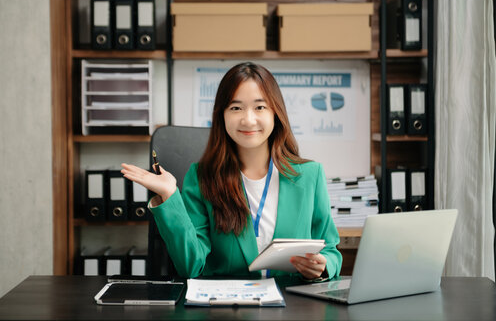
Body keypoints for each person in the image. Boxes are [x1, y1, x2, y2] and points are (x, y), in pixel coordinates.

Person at [121, 62, 342, 280]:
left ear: (276, 113)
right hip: (228, 308)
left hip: (291, 306)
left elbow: (330, 250)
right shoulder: (201, 178)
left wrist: (323, 267)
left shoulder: (309, 175)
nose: (248, 119)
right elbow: (192, 266)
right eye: (236, 108)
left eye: (260, 107)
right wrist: (169, 195)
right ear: (222, 115)